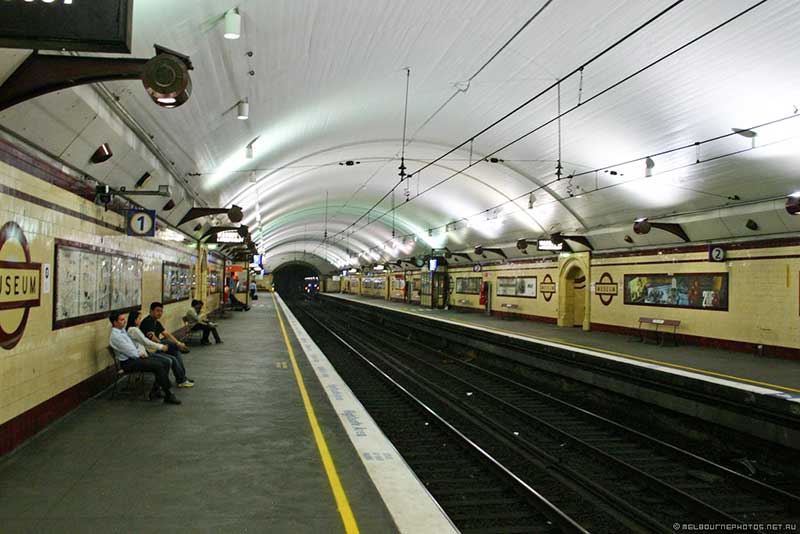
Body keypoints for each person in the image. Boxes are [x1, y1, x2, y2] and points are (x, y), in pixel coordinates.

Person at [108, 311, 181, 405]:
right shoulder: (116, 336)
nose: (124, 321)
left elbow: (133, 347)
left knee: (165, 362)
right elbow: (131, 352)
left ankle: (156, 390)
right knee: (158, 365)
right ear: (115, 322)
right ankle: (169, 394)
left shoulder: (122, 331)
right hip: (128, 363)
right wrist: (139, 353)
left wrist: (139, 353)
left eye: (124, 319)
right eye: (121, 320)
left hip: (134, 358)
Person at [127, 310, 193, 389]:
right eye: (139, 319)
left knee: (174, 354)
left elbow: (166, 333)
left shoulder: (154, 323)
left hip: (147, 351)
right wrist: (161, 346)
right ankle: (173, 381)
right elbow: (147, 341)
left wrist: (176, 343)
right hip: (148, 352)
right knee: (170, 357)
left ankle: (180, 378)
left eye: (161, 311)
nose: (140, 321)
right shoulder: (136, 328)